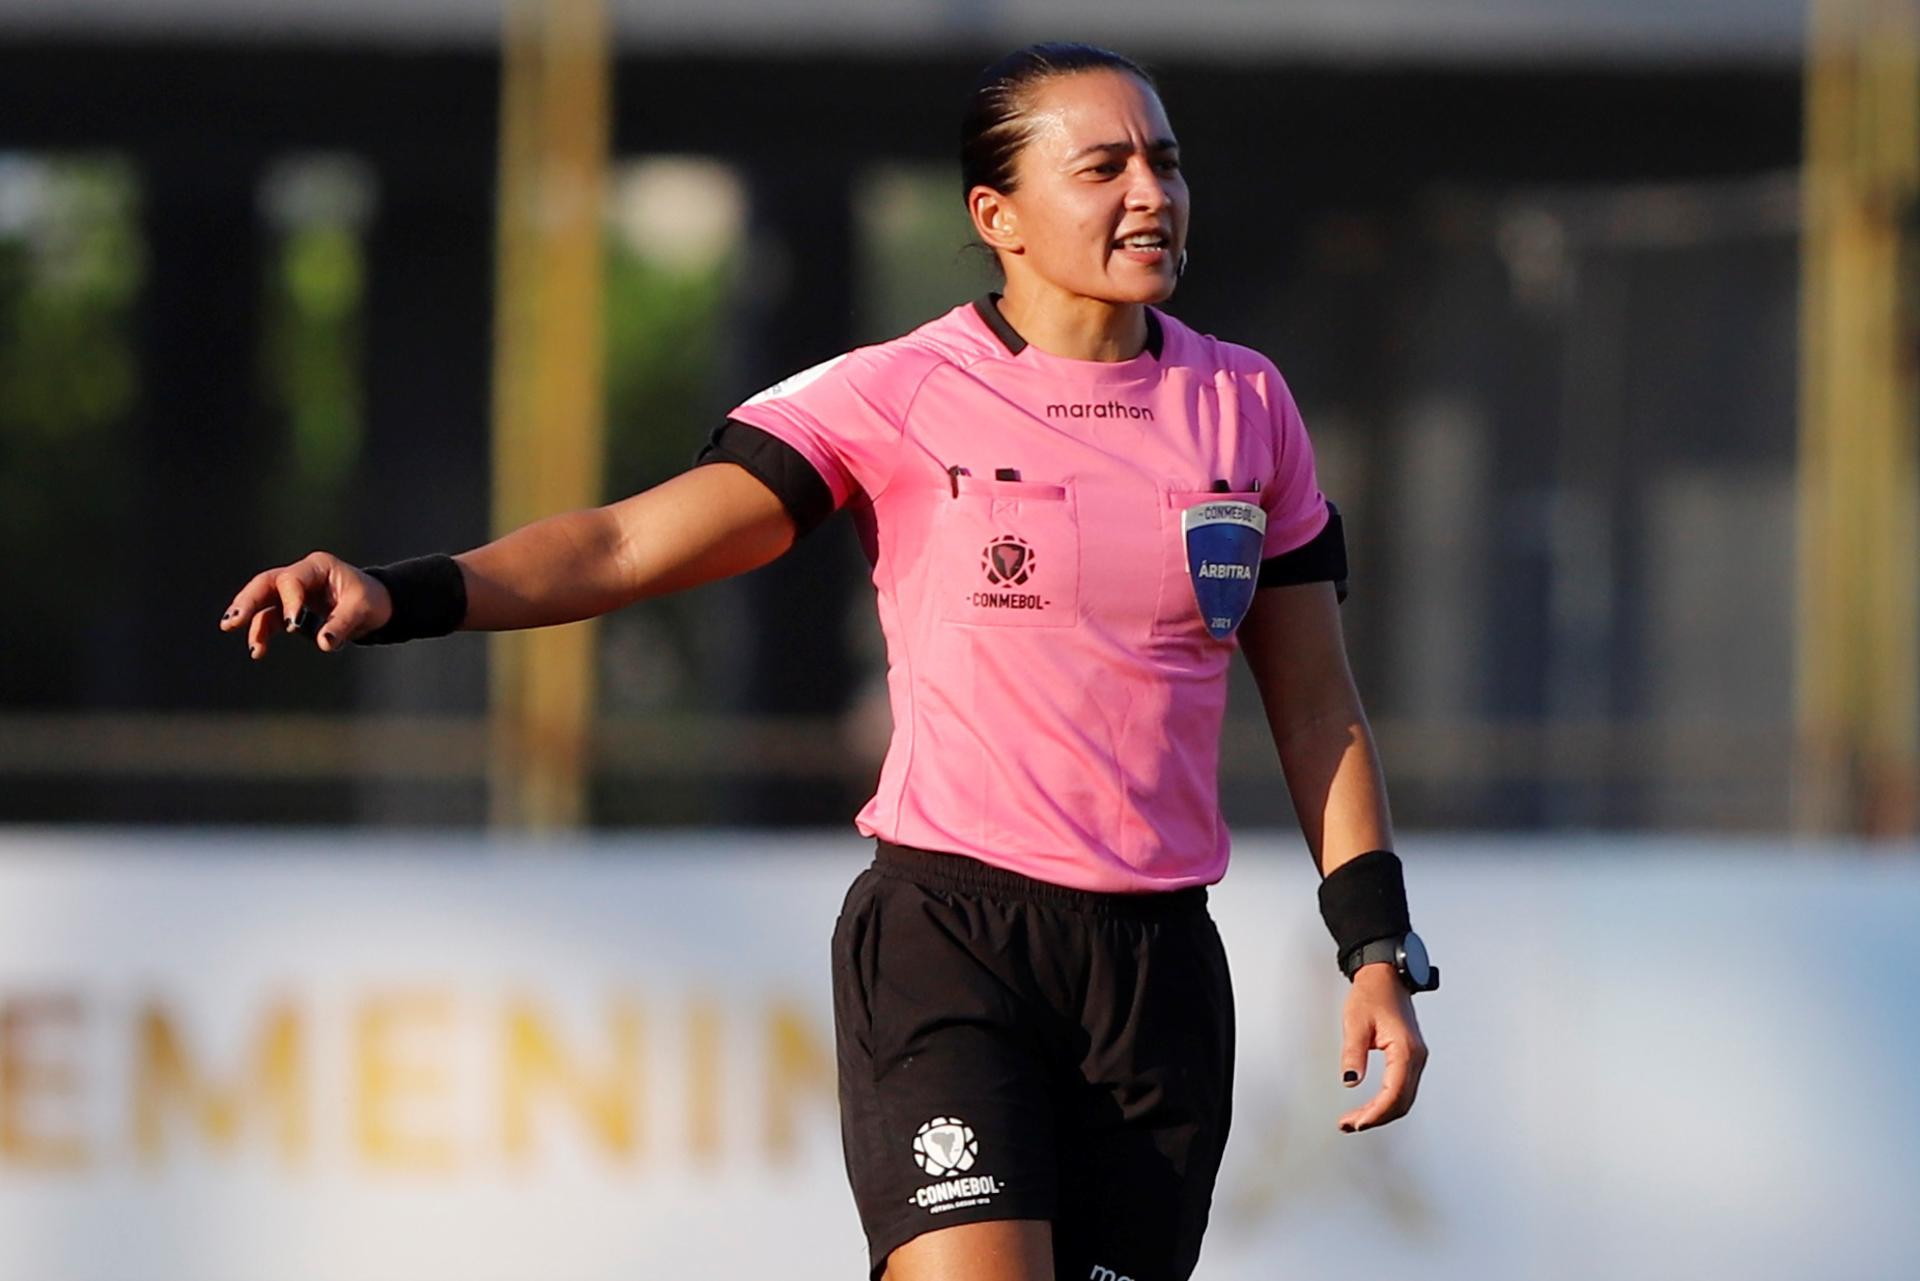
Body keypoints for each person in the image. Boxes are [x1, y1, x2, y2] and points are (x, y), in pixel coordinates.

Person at [219, 41, 1435, 1281]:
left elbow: (1316, 709)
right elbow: (627, 543)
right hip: (952, 940)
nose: (1151, 195)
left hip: (1161, 973)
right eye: (1105, 166)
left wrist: (1375, 945)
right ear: (996, 214)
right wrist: (400, 593)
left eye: (1166, 164)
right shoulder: (898, 394)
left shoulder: (1247, 404)